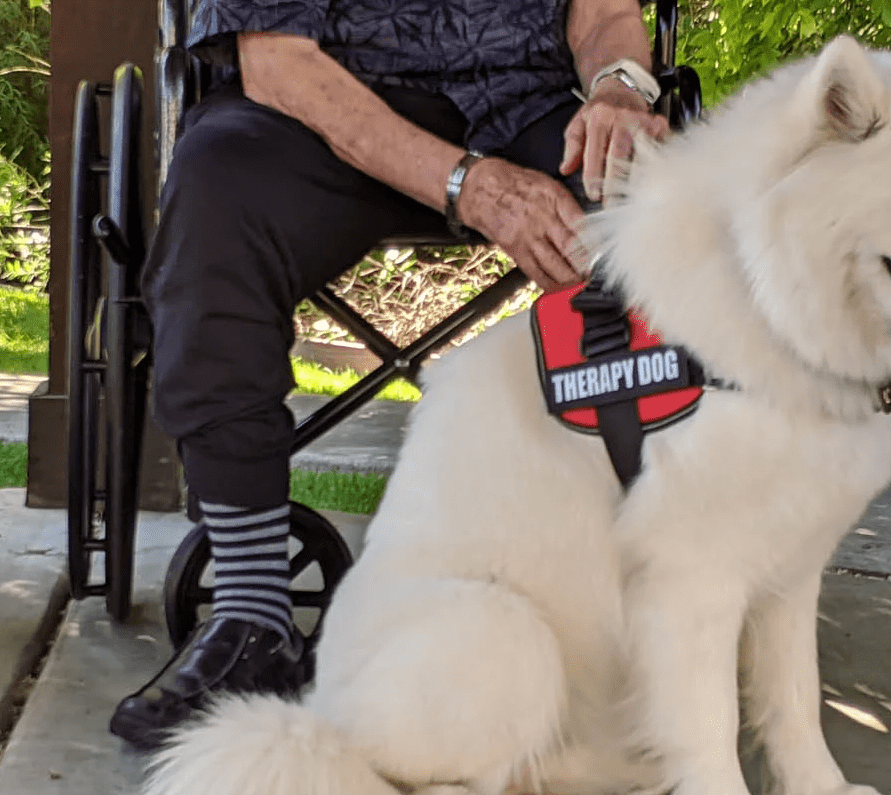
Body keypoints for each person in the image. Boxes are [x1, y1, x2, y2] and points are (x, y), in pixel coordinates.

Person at [110, 0, 671, 749]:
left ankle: (660, 601)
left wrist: (618, 89)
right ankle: (252, 615)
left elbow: (603, 14)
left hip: (530, 101)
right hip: (326, 107)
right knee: (215, 191)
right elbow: (278, 64)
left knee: (658, 216)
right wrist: (468, 185)